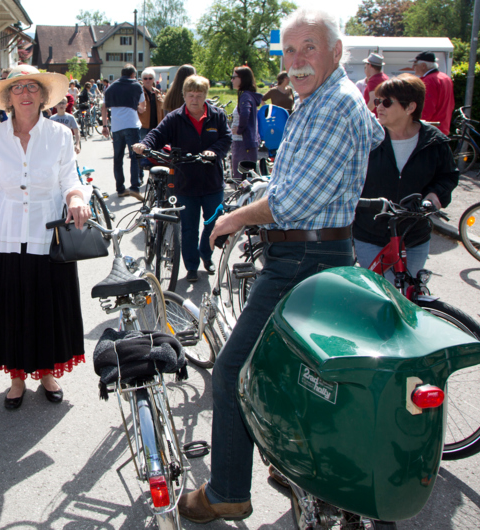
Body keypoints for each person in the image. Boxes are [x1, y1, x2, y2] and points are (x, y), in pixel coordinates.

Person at [178, 8, 384, 523]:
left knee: (233, 369)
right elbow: (370, 140)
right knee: (296, 371)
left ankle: (227, 491)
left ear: (336, 51)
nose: (296, 61)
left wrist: (231, 220)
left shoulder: (333, 105)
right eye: (289, 51)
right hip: (316, 251)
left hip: (302, 257)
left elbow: (291, 203)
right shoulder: (326, 100)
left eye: (308, 48)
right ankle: (298, 465)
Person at [0, 64, 91, 410]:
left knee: (47, 305)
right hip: (8, 232)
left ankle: (47, 373)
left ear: (42, 96)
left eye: (32, 88)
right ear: (8, 97)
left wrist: (77, 198)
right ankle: (17, 377)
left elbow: (69, 177)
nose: (25, 94)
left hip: (48, 230)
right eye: (17, 88)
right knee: (12, 306)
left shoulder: (59, 134)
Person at [353, 74, 458, 277]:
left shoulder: (435, 142)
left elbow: (448, 177)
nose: (379, 107)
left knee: (411, 295)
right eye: (377, 101)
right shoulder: (367, 137)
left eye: (386, 102)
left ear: (410, 107)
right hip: (370, 234)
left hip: (414, 235)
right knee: (384, 295)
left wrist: (433, 198)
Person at [133, 75, 232, 283]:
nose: (194, 99)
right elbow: (157, 135)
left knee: (214, 223)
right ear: (184, 95)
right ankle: (192, 266)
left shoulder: (217, 116)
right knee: (188, 228)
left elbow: (226, 138)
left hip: (212, 181)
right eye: (190, 95)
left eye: (199, 95)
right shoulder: (175, 118)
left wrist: (214, 151)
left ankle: (206, 254)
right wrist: (144, 144)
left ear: (205, 95)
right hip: (185, 182)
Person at [101, 64, 146, 200]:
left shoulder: (111, 87)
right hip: (132, 125)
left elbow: (104, 107)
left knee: (118, 158)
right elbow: (143, 107)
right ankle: (134, 187)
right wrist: (137, 107)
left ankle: (120, 188)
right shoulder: (136, 85)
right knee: (135, 156)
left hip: (116, 127)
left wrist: (104, 125)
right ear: (133, 74)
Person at [230, 66, 262, 180]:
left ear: (242, 79)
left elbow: (245, 114)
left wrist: (239, 130)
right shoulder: (249, 95)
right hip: (248, 143)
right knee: (248, 179)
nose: (231, 80)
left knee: (241, 179)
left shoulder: (245, 96)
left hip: (242, 143)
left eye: (234, 77)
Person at [412, 51, 455, 135]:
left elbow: (427, 108)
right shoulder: (445, 78)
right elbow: (451, 104)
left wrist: (416, 125)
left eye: (415, 64)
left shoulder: (429, 81)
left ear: (424, 66)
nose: (413, 67)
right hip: (443, 126)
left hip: (430, 129)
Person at [138, 67, 165, 138]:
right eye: (145, 78)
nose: (148, 80)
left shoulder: (157, 92)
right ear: (142, 80)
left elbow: (162, 110)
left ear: (153, 79)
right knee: (143, 147)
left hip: (156, 126)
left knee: (156, 148)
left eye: (150, 78)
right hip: (143, 127)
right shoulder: (138, 92)